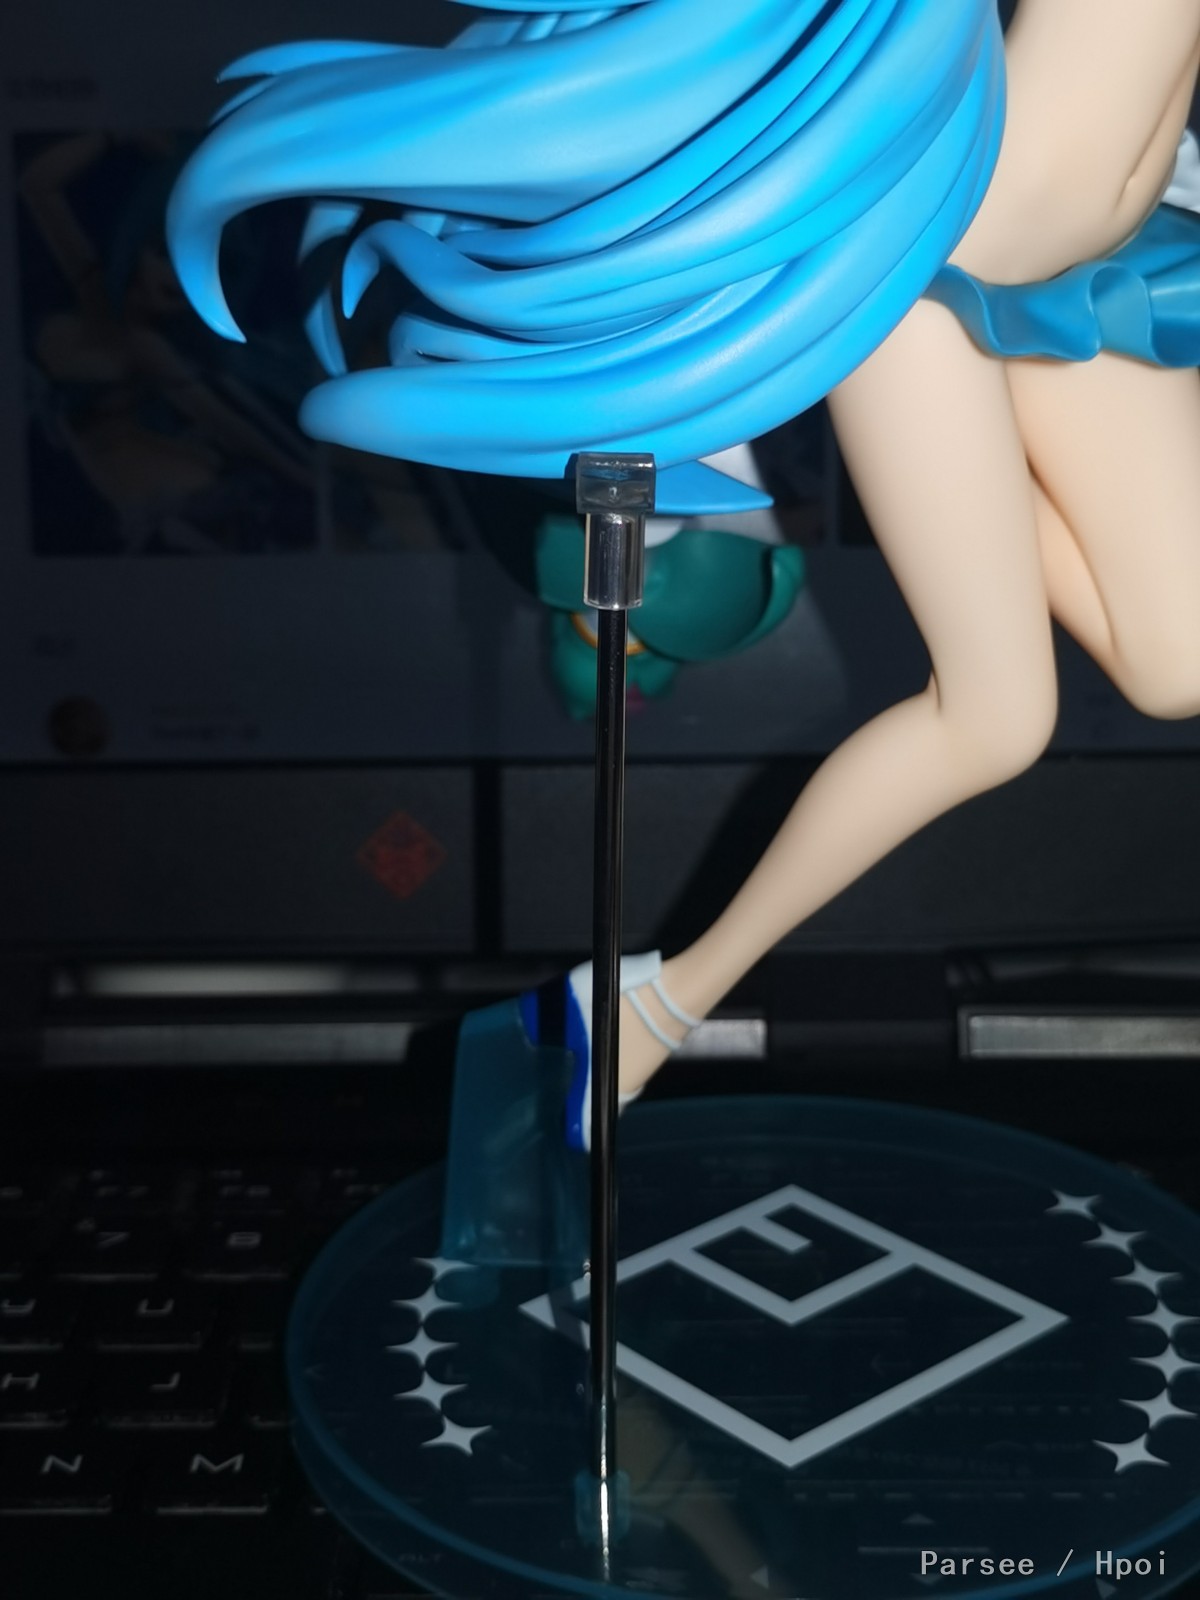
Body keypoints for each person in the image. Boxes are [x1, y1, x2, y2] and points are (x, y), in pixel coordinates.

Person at [168, 1, 1200, 1147]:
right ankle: (655, 1003)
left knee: (1176, 662)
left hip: (1094, 258)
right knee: (996, 715)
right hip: (927, 260)